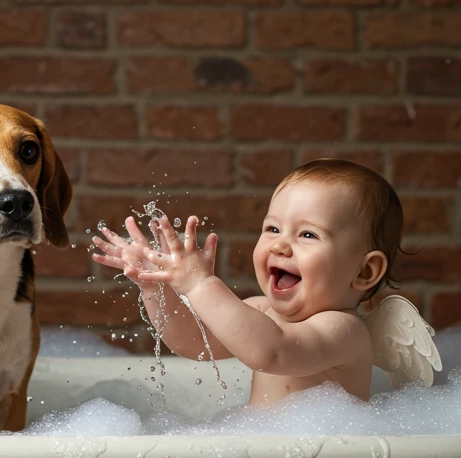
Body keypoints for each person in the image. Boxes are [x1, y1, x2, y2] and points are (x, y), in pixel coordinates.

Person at [91, 159, 404, 406]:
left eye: (308, 234)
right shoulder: (260, 310)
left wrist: (201, 285)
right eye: (272, 229)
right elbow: (194, 343)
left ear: (365, 272)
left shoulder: (344, 331)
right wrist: (156, 288)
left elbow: (271, 352)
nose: (280, 245)